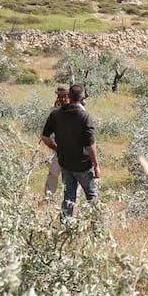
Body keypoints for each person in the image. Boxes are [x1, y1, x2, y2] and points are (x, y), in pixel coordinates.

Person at [40, 84, 100, 218]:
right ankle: (98, 227)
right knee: (92, 196)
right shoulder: (85, 116)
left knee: (68, 197)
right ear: (82, 97)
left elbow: (44, 137)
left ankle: (65, 226)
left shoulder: (55, 114)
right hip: (82, 164)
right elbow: (90, 145)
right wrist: (96, 165)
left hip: (65, 163)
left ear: (68, 96)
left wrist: (57, 149)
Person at [43, 87, 70, 198]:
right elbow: (46, 133)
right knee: (53, 173)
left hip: (73, 150)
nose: (62, 99)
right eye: (59, 96)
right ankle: (48, 196)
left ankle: (70, 199)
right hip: (59, 149)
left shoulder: (76, 110)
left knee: (71, 176)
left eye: (64, 96)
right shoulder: (55, 112)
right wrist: (55, 148)